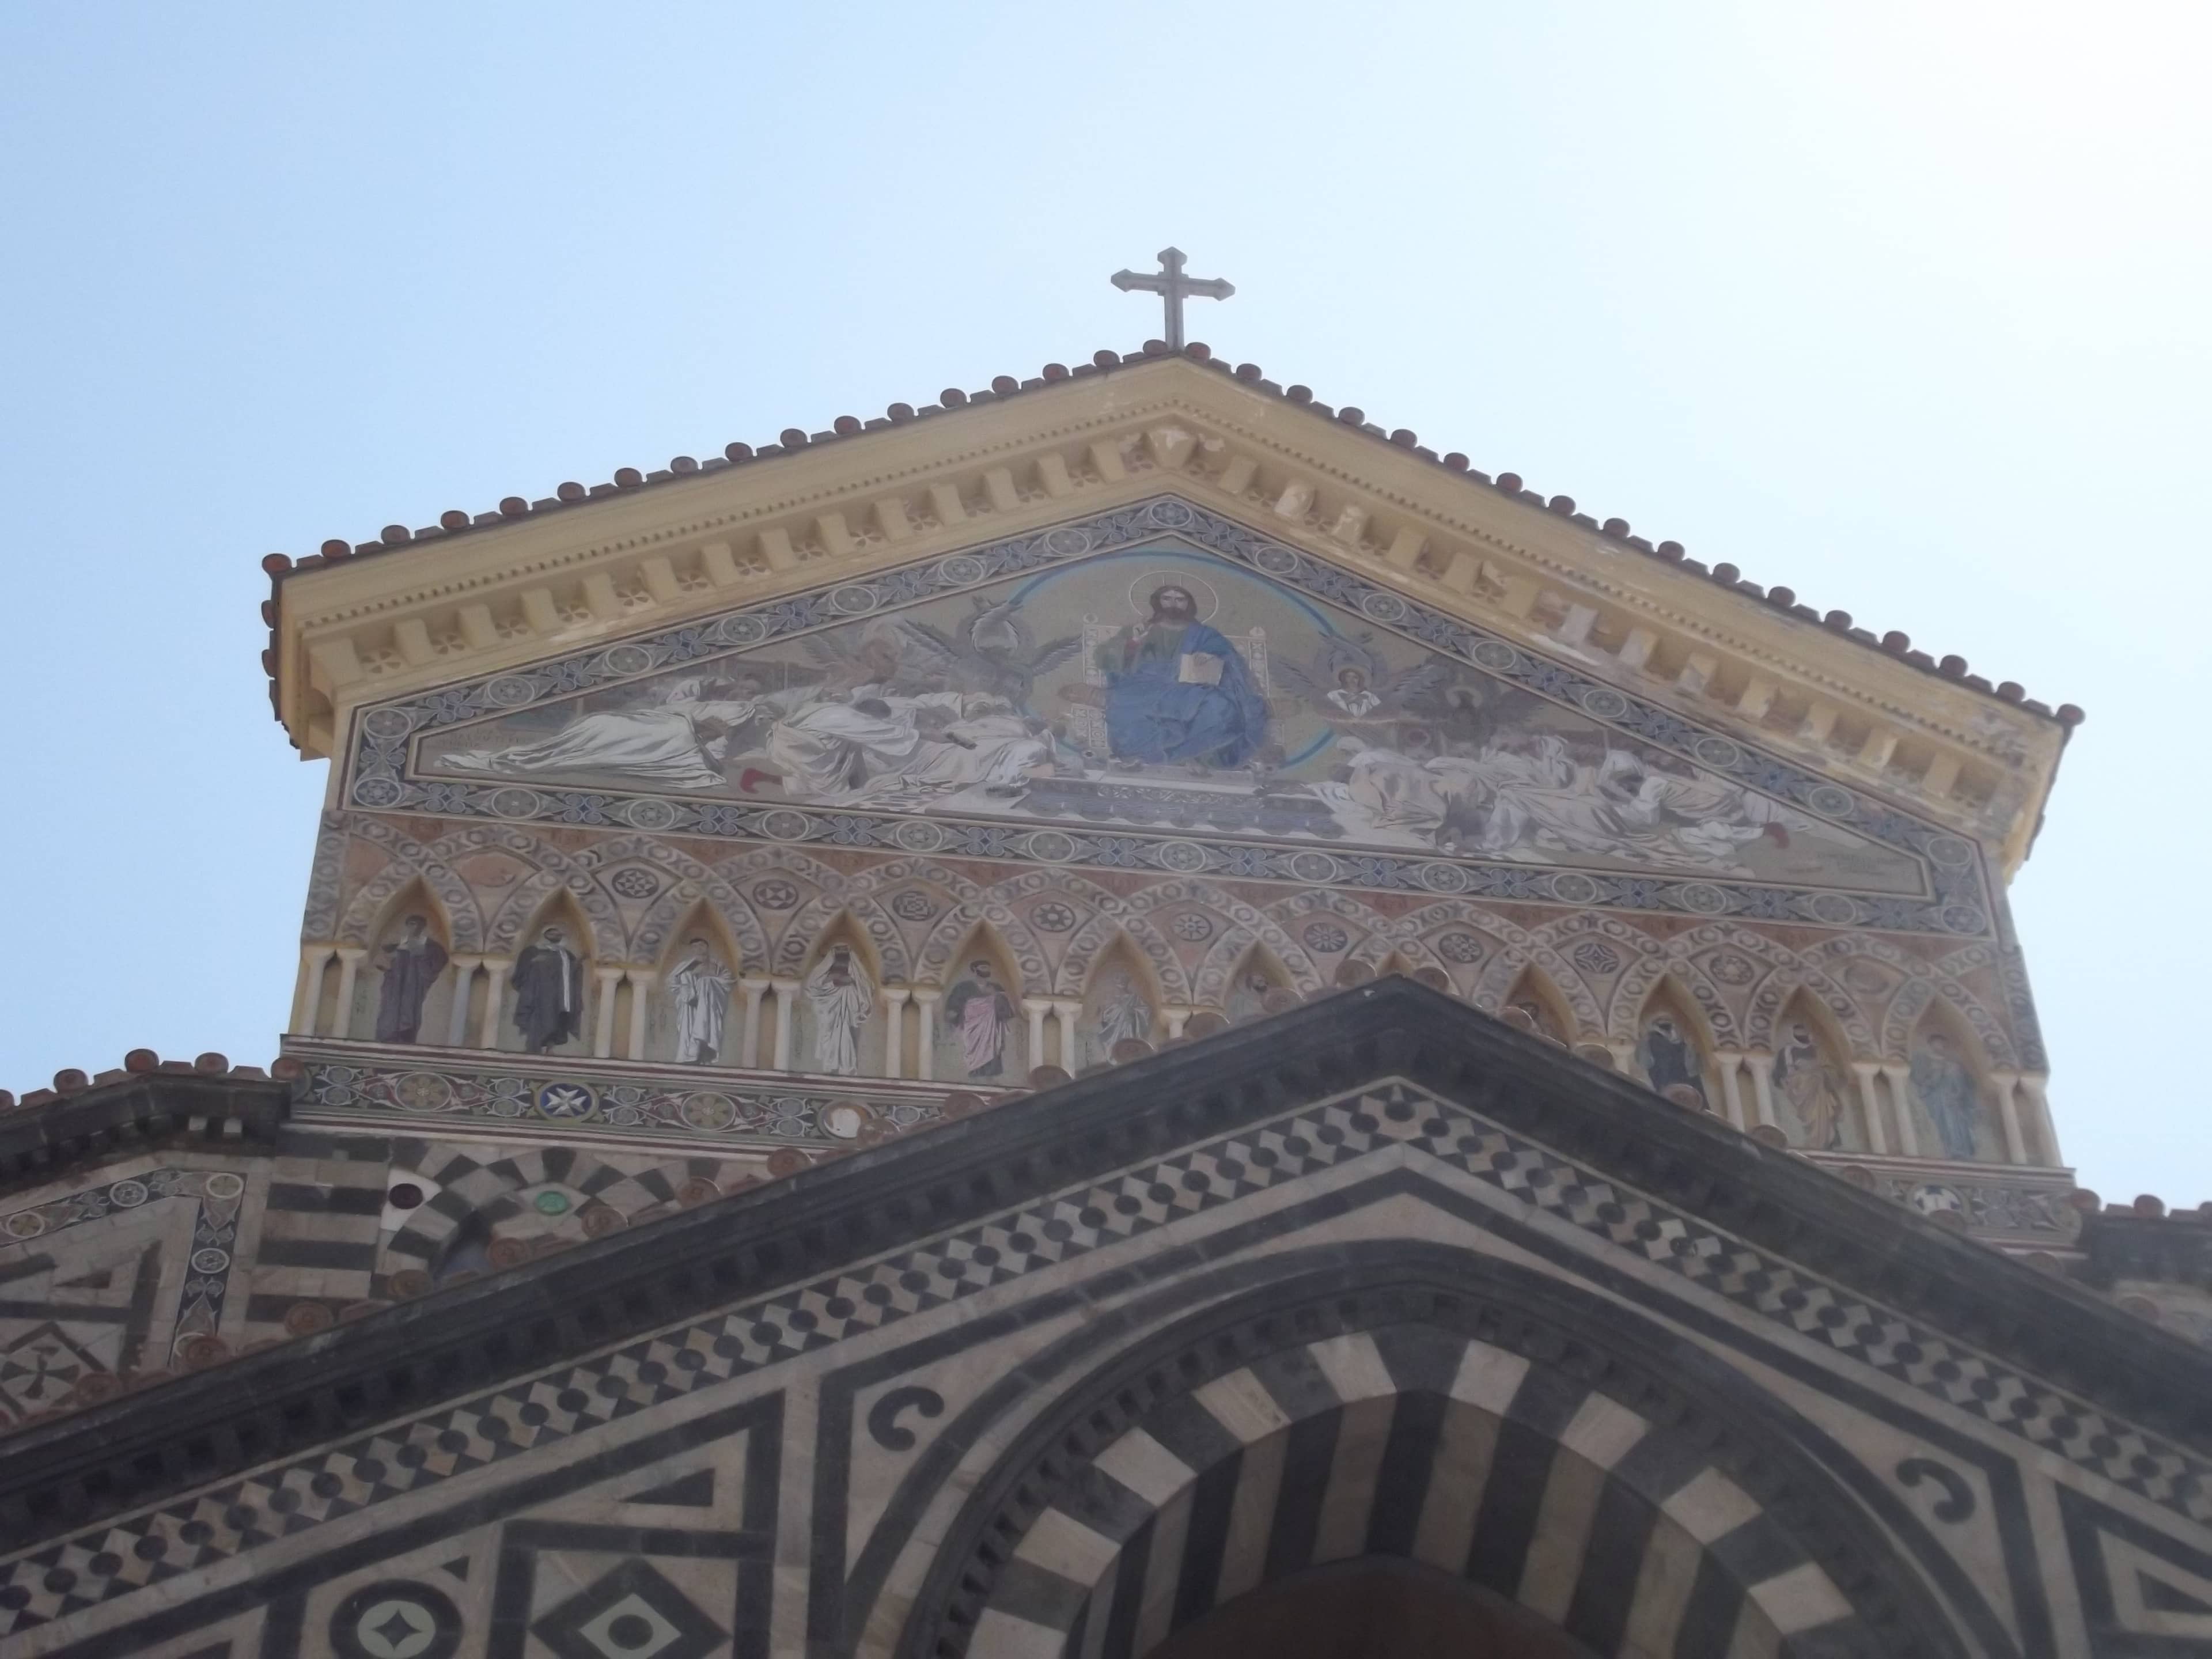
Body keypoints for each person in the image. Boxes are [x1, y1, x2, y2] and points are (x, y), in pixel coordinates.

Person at [438, 679, 771, 791]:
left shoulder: (740, 710)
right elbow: (676, 703)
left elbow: (719, 738)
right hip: (658, 723)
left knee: (627, 731)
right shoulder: (708, 698)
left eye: (749, 691)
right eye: (740, 686)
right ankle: (544, 753)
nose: (740, 692)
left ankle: (541, 758)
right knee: (601, 722)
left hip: (678, 739)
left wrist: (704, 741)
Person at [1090, 585, 1268, 769]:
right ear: (1158, 602)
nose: (1173, 604)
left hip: (1190, 689)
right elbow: (1105, 659)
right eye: (1167, 599)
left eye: (1179, 599)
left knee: (1221, 708)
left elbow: (1233, 664)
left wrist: (1211, 657)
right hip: (1144, 687)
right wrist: (1133, 643)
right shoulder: (1139, 629)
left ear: (1188, 604)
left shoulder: (1206, 635)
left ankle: (1185, 755)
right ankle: (1147, 754)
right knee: (1122, 706)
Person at [374, 915, 448, 1044]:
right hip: (397, 986)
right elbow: (387, 961)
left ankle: (405, 1034)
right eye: (411, 924)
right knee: (391, 1010)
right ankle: (390, 1035)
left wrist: (422, 963)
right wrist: (390, 968)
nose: (414, 927)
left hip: (414, 986)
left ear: (423, 926)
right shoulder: (402, 944)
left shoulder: (429, 945)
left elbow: (440, 958)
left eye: (417, 924)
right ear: (407, 926)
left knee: (410, 1011)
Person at [804, 944, 876, 1075]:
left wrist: (848, 984)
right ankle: (830, 1066)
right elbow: (814, 988)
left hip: (847, 1010)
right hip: (830, 1010)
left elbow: (864, 988)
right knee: (829, 1035)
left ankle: (846, 1066)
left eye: (845, 963)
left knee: (847, 1035)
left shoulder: (854, 978)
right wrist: (833, 982)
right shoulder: (824, 975)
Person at [1774, 1020, 1846, 1149]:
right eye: (1799, 1034)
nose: (1803, 1037)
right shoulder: (1787, 1051)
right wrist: (1796, 1076)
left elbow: (1832, 1072)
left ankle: (1824, 1141)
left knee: (1823, 1114)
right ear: (1794, 1035)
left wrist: (1815, 1069)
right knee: (1811, 1113)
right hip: (1799, 1088)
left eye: (1805, 1034)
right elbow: (1780, 1075)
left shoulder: (1818, 1051)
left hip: (1820, 1091)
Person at [1910, 1032, 1982, 1158]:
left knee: (1958, 1124)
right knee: (1946, 1123)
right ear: (1931, 1045)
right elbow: (1922, 1080)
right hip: (1939, 1099)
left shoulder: (1954, 1062)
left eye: (1942, 1044)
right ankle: (1951, 1148)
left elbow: (1968, 1084)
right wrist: (1938, 1073)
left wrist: (1958, 1088)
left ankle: (1962, 1148)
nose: (1940, 1046)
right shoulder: (1926, 1059)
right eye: (1937, 1043)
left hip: (1955, 1099)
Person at [512, 926, 584, 1054]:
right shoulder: (533, 951)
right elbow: (521, 973)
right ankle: (532, 1048)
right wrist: (534, 962)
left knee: (555, 1022)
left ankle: (550, 1048)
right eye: (552, 933)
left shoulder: (566, 955)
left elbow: (571, 974)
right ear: (544, 934)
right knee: (536, 1022)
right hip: (537, 995)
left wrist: (579, 963)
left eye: (558, 934)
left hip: (558, 997)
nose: (555, 936)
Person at [944, 961, 1018, 1078]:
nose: (986, 970)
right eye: (983, 967)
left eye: (988, 968)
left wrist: (997, 997)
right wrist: (968, 1008)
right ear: (974, 970)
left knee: (992, 1054)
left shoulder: (996, 988)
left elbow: (1006, 1010)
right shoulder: (964, 987)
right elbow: (953, 1008)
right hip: (971, 1030)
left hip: (992, 1030)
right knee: (973, 1055)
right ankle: (974, 1073)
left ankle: (990, 1077)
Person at [665, 937, 733, 1065]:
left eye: (702, 945)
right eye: (695, 946)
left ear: (707, 948)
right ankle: (689, 1053)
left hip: (709, 1005)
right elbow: (671, 982)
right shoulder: (685, 966)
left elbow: (727, 981)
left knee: (706, 983)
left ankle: (703, 1050)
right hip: (689, 1007)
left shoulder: (717, 965)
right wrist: (690, 980)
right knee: (689, 1030)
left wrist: (708, 982)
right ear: (691, 950)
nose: (699, 949)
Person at [1635, 1014, 1707, 1110]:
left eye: (1668, 1023)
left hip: (1685, 1081)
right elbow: (1645, 1062)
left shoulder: (1680, 1041)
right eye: (1663, 1024)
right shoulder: (1652, 1039)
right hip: (1664, 1081)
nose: (1667, 1027)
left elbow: (1693, 1067)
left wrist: (1690, 1048)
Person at [1092, 972, 1153, 1057]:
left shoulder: (1135, 997)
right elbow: (1105, 1016)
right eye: (1120, 982)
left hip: (1130, 1027)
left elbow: (1145, 1010)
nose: (1122, 985)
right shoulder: (1112, 1000)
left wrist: (1133, 1011)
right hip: (1116, 1030)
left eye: (1124, 981)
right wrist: (1113, 1010)